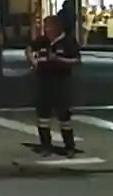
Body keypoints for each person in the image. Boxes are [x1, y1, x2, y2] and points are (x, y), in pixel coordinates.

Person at [28, 16, 81, 157]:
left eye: (49, 27)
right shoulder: (43, 41)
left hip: (60, 83)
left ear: (58, 27)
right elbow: (28, 49)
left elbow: (76, 61)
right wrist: (34, 62)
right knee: (43, 117)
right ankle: (46, 146)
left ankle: (69, 147)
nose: (46, 30)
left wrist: (59, 60)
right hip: (43, 83)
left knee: (64, 117)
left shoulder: (68, 42)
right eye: (45, 27)